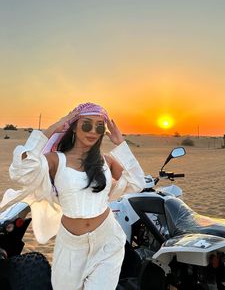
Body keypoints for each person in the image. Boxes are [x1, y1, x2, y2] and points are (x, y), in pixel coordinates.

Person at [0, 102, 146, 290]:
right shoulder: (55, 160)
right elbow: (22, 171)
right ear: (74, 127)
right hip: (71, 246)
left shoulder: (106, 161)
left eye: (99, 127)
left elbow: (137, 182)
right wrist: (55, 126)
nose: (93, 131)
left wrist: (120, 143)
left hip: (107, 241)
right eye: (86, 124)